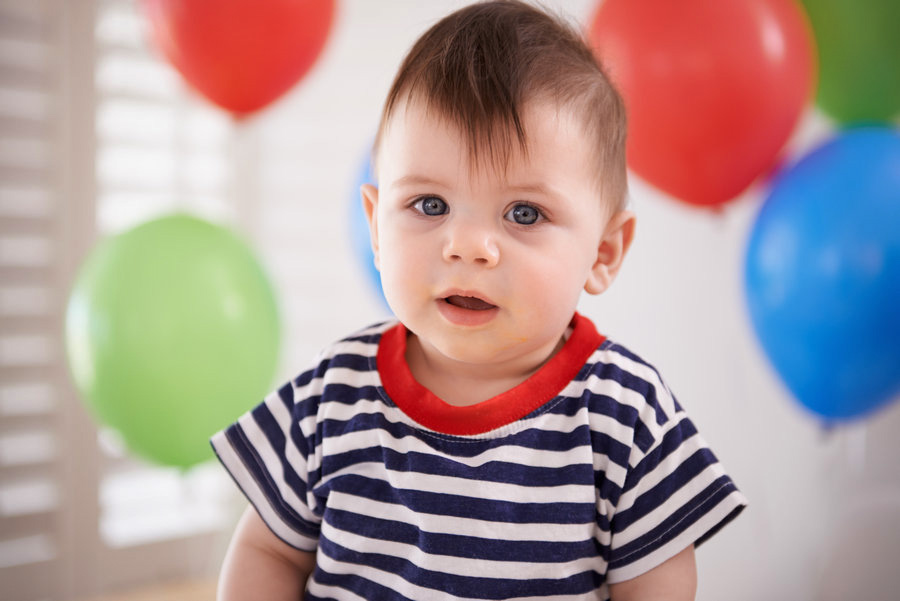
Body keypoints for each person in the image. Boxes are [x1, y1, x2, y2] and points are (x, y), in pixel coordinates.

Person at [211, 2, 747, 599]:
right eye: (430, 205)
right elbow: (266, 551)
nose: (467, 246)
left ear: (603, 253)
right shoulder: (333, 393)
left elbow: (658, 586)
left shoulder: (625, 413)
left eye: (524, 213)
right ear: (377, 228)